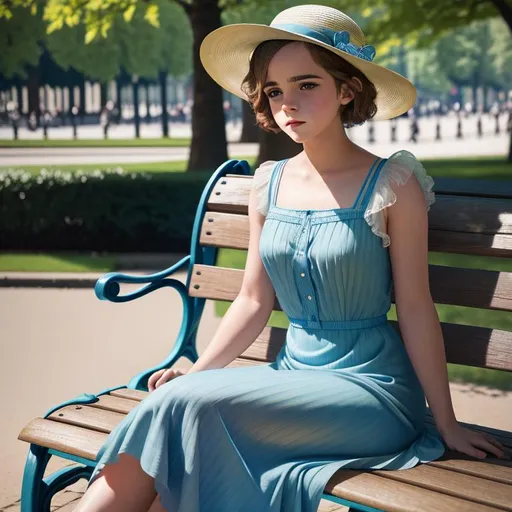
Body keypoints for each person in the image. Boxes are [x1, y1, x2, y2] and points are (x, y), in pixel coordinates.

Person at [76, 5, 509, 512]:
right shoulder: (270, 182)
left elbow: (415, 307)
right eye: (276, 90)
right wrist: (199, 371)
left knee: (181, 407)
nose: (287, 103)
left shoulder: (394, 184)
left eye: (306, 84)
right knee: (177, 407)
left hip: (371, 391)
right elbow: (253, 300)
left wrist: (448, 422)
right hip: (289, 377)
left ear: (347, 89)